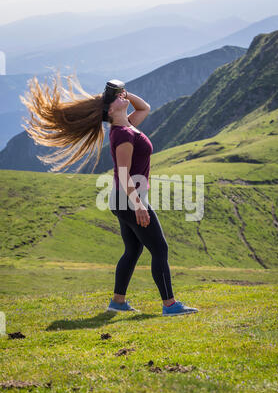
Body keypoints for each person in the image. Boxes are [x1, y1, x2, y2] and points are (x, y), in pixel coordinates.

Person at [21, 72, 198, 317]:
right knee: (160, 249)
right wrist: (139, 206)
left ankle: (118, 301)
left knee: (133, 250)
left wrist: (121, 94)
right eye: (115, 99)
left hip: (122, 199)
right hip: (129, 199)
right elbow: (123, 174)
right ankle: (170, 305)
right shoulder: (123, 134)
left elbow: (144, 107)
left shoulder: (128, 126)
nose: (121, 98)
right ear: (110, 112)